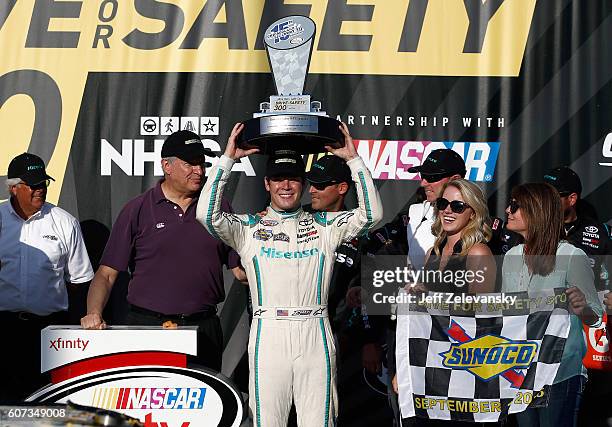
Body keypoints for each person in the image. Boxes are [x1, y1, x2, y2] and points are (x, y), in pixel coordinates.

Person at [196, 122, 382, 427]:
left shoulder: (325, 225)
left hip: (315, 330)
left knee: (320, 422)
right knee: (267, 422)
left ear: (303, 184)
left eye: (293, 179)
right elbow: (206, 215)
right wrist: (228, 159)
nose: (286, 186)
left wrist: (353, 160)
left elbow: (372, 215)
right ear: (267, 184)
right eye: (279, 179)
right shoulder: (248, 227)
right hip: (269, 331)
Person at [80, 130, 244, 372]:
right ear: (167, 165)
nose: (198, 171)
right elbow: (106, 274)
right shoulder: (137, 210)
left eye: (201, 164)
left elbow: (240, 272)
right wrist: (93, 313)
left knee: (203, 407)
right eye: (190, 164)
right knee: (145, 407)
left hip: (203, 329)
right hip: (148, 328)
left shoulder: (218, 208)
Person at [501, 183, 602, 427]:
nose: (507, 210)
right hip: (521, 368)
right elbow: (506, 313)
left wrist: (582, 308)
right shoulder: (510, 256)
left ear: (537, 211)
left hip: (561, 370)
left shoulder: (572, 256)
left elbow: (595, 316)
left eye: (516, 206)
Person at [0, 153, 94, 401]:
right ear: (13, 187)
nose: (40, 190)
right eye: (33, 184)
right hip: (3, 329)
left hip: (48, 333)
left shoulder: (64, 222)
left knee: (46, 406)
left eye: (43, 183)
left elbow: (79, 281)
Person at [420, 179, 496, 294]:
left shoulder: (478, 253)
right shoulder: (432, 253)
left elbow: (480, 308)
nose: (447, 210)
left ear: (473, 213)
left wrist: (432, 296)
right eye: (443, 203)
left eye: (457, 206)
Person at [543, 166, 611, 290]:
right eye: (542, 194)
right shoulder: (532, 226)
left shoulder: (600, 232)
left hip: (586, 305)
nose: (544, 200)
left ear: (572, 199)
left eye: (551, 196)